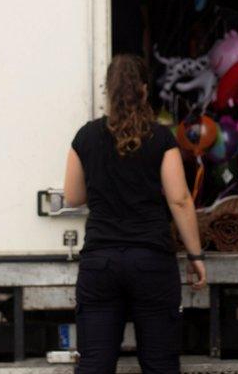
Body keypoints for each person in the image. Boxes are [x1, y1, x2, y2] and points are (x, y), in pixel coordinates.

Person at [63, 54, 207, 373]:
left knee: (96, 363)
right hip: (151, 262)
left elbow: (73, 196)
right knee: (159, 363)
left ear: (108, 92)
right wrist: (196, 255)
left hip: (100, 262)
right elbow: (180, 200)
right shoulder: (161, 139)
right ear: (144, 91)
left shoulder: (85, 137)